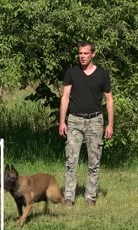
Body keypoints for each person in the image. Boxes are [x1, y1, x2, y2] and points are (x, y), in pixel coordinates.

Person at [58, 41, 114, 206]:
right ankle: (69, 198)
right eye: (80, 53)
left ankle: (90, 198)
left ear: (93, 54)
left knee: (94, 162)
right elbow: (65, 97)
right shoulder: (71, 73)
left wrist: (110, 124)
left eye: (85, 53)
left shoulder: (102, 75)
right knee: (71, 161)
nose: (82, 56)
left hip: (95, 122)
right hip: (74, 121)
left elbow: (109, 99)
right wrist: (62, 121)